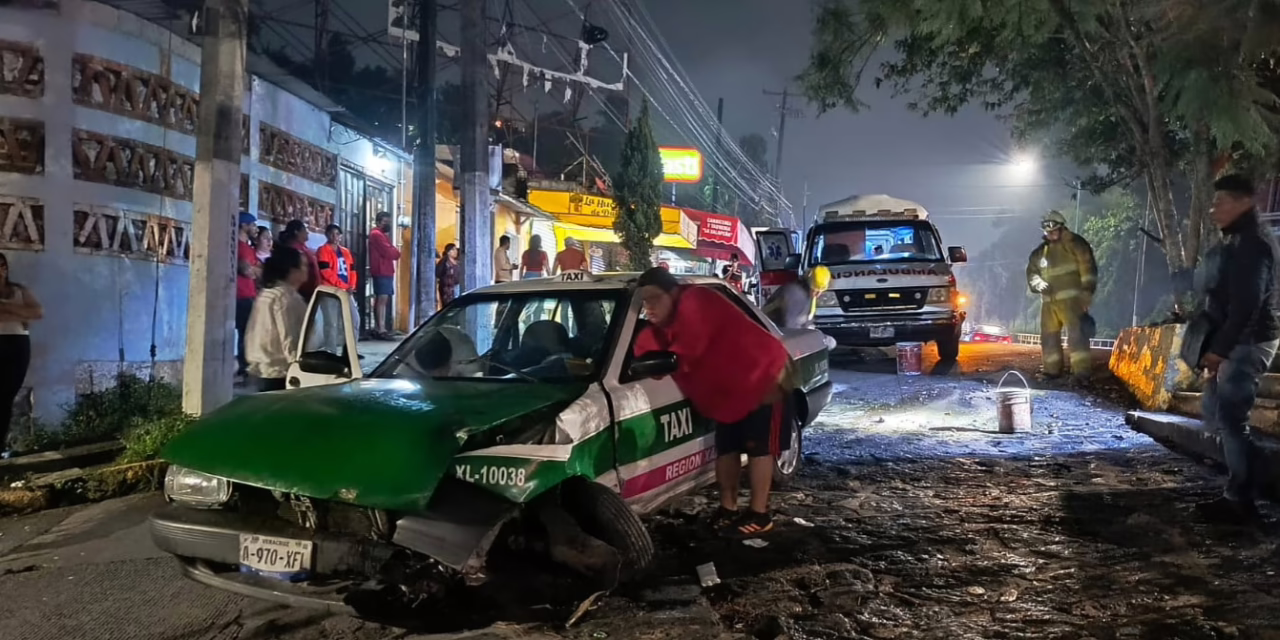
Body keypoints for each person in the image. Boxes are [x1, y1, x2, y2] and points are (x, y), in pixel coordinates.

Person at [633, 267, 794, 538]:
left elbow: (688, 347)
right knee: (726, 448)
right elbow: (652, 359)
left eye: (654, 299)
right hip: (728, 394)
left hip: (763, 377)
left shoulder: (697, 300)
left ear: (673, 293)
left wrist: (654, 351)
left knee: (759, 449)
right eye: (644, 302)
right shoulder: (664, 325)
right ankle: (728, 509)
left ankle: (759, 514)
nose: (649, 308)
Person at [1195, 174, 1280, 523]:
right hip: (1238, 341)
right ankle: (1245, 486)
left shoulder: (1252, 244)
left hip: (1248, 342)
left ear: (1242, 202)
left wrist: (1221, 350)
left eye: (1220, 203)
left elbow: (1247, 305)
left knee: (1232, 421)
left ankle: (1241, 497)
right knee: (1221, 417)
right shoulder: (1240, 239)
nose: (1214, 210)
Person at [1025, 210, 1097, 382]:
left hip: (1072, 301)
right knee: (1049, 338)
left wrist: (1087, 293)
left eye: (1054, 230)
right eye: (1047, 231)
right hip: (1049, 303)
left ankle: (1081, 374)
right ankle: (1051, 371)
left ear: (1062, 227)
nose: (1051, 234)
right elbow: (1032, 274)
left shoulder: (1076, 244)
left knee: (1077, 337)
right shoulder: (1040, 252)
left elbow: (1088, 269)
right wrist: (1039, 284)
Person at [245, 246, 309, 392]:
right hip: (279, 375)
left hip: (261, 371)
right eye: (303, 265)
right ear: (292, 271)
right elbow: (289, 338)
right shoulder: (286, 298)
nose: (307, 270)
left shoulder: (267, 294)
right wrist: (300, 366)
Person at [0, 253, 41, 457]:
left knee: (6, 396)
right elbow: (27, 314)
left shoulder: (18, 290)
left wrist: (6, 308)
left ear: (6, 269)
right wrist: (20, 313)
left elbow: (37, 313)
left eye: (1, 266)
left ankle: (0, 446)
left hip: (17, 344)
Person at [317, 223, 360, 338]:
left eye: (337, 234)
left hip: (346, 290)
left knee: (354, 320)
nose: (334, 236)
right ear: (326, 235)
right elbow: (326, 272)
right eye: (331, 234)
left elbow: (352, 271)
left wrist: (351, 286)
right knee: (331, 323)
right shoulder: (323, 250)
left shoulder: (346, 252)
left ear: (340, 236)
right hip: (330, 291)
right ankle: (331, 351)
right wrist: (343, 286)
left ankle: (350, 351)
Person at [762, 266, 832, 330]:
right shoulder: (794, 294)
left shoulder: (808, 296)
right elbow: (790, 328)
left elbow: (806, 321)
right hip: (768, 332)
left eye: (821, 291)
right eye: (815, 290)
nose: (818, 294)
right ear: (809, 282)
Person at [235, 213, 261, 381]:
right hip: (241, 295)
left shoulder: (249, 247)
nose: (255, 228)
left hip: (249, 294)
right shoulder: (240, 247)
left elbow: (257, 271)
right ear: (244, 226)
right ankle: (244, 369)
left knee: (247, 333)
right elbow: (247, 271)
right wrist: (254, 271)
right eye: (252, 225)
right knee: (245, 333)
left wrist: (254, 271)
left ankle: (245, 367)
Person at [368, 211, 401, 339]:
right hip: (381, 270)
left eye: (388, 222)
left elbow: (392, 251)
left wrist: (393, 251)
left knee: (383, 299)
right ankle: (380, 328)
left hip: (385, 269)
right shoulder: (377, 234)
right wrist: (394, 251)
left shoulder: (381, 235)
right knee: (382, 299)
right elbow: (390, 252)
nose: (387, 224)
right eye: (385, 222)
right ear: (378, 222)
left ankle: (380, 327)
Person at [281, 219, 321, 300]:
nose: (307, 232)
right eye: (305, 230)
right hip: (300, 292)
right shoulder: (293, 248)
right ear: (296, 232)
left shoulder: (304, 247)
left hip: (310, 290)